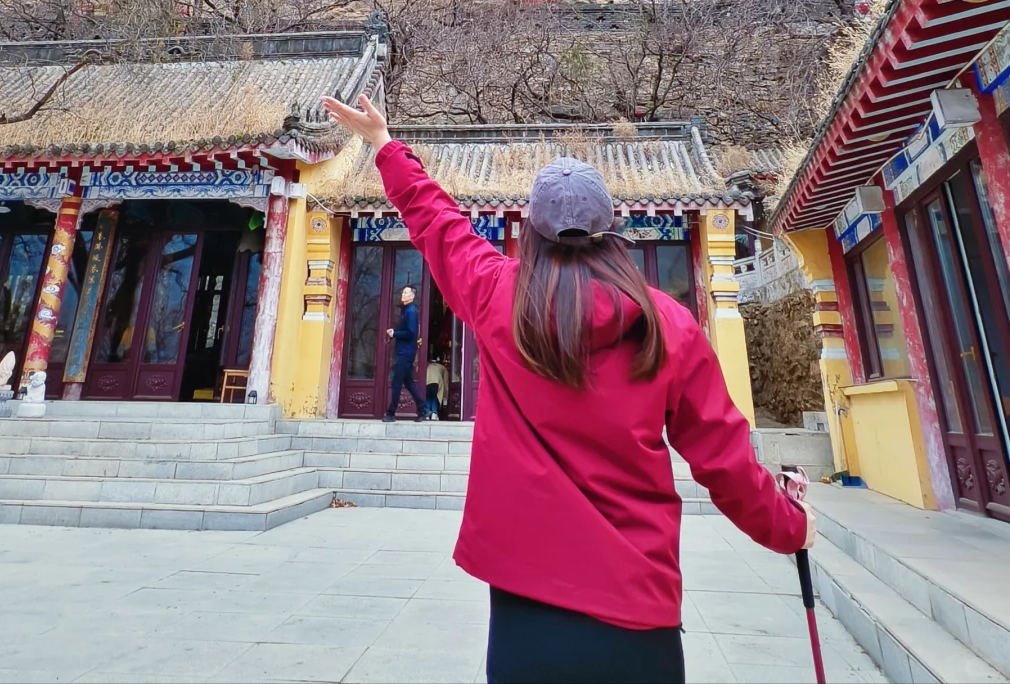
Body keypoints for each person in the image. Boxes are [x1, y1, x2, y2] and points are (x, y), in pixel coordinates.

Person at [323, 94, 815, 684]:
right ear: (613, 231)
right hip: (640, 617)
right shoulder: (668, 324)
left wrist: (383, 144)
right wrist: (789, 524)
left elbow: (438, 222)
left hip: (524, 618)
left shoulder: (493, 294)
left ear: (529, 231)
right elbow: (726, 459)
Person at [384, 283, 427, 421]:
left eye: (406, 293)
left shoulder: (411, 311)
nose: (403, 295)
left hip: (405, 353)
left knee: (397, 383)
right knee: (409, 383)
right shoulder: (408, 310)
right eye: (402, 293)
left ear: (412, 296)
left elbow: (411, 333)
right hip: (406, 352)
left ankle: (391, 413)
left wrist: (394, 333)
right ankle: (423, 410)